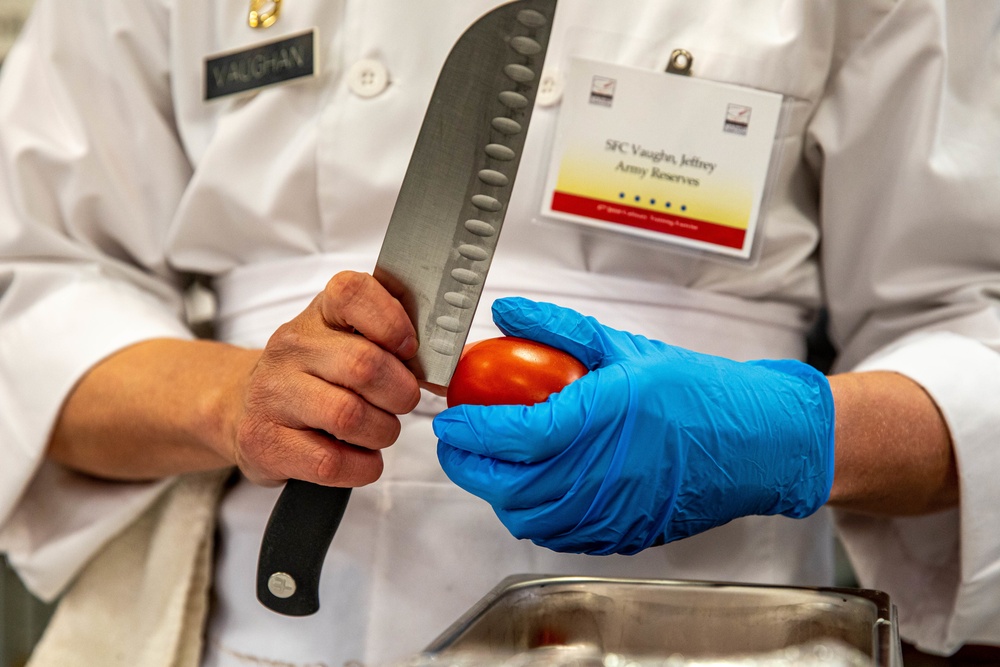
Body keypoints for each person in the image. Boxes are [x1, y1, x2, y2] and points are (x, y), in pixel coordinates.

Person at [1, 0, 998, 665]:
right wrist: (235, 399)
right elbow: (30, 293)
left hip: (707, 636)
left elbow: (974, 322)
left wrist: (800, 435)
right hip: (267, 634)